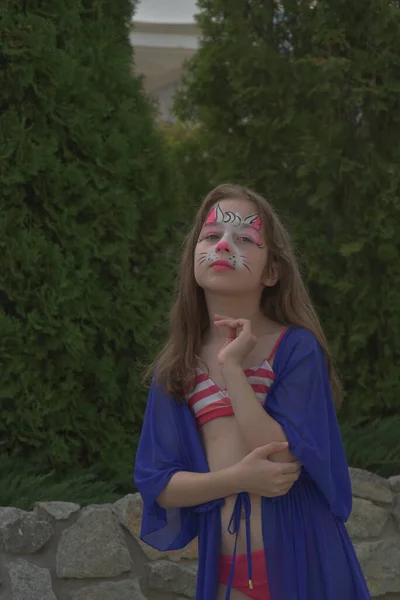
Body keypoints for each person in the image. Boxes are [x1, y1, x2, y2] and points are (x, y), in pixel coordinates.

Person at [134, 183, 372, 600]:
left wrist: (232, 368)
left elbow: (283, 453)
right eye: (211, 236)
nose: (223, 246)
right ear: (193, 255)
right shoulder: (176, 367)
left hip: (306, 554)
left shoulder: (296, 348)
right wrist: (237, 479)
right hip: (225, 570)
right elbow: (159, 483)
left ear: (271, 272)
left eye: (243, 238)